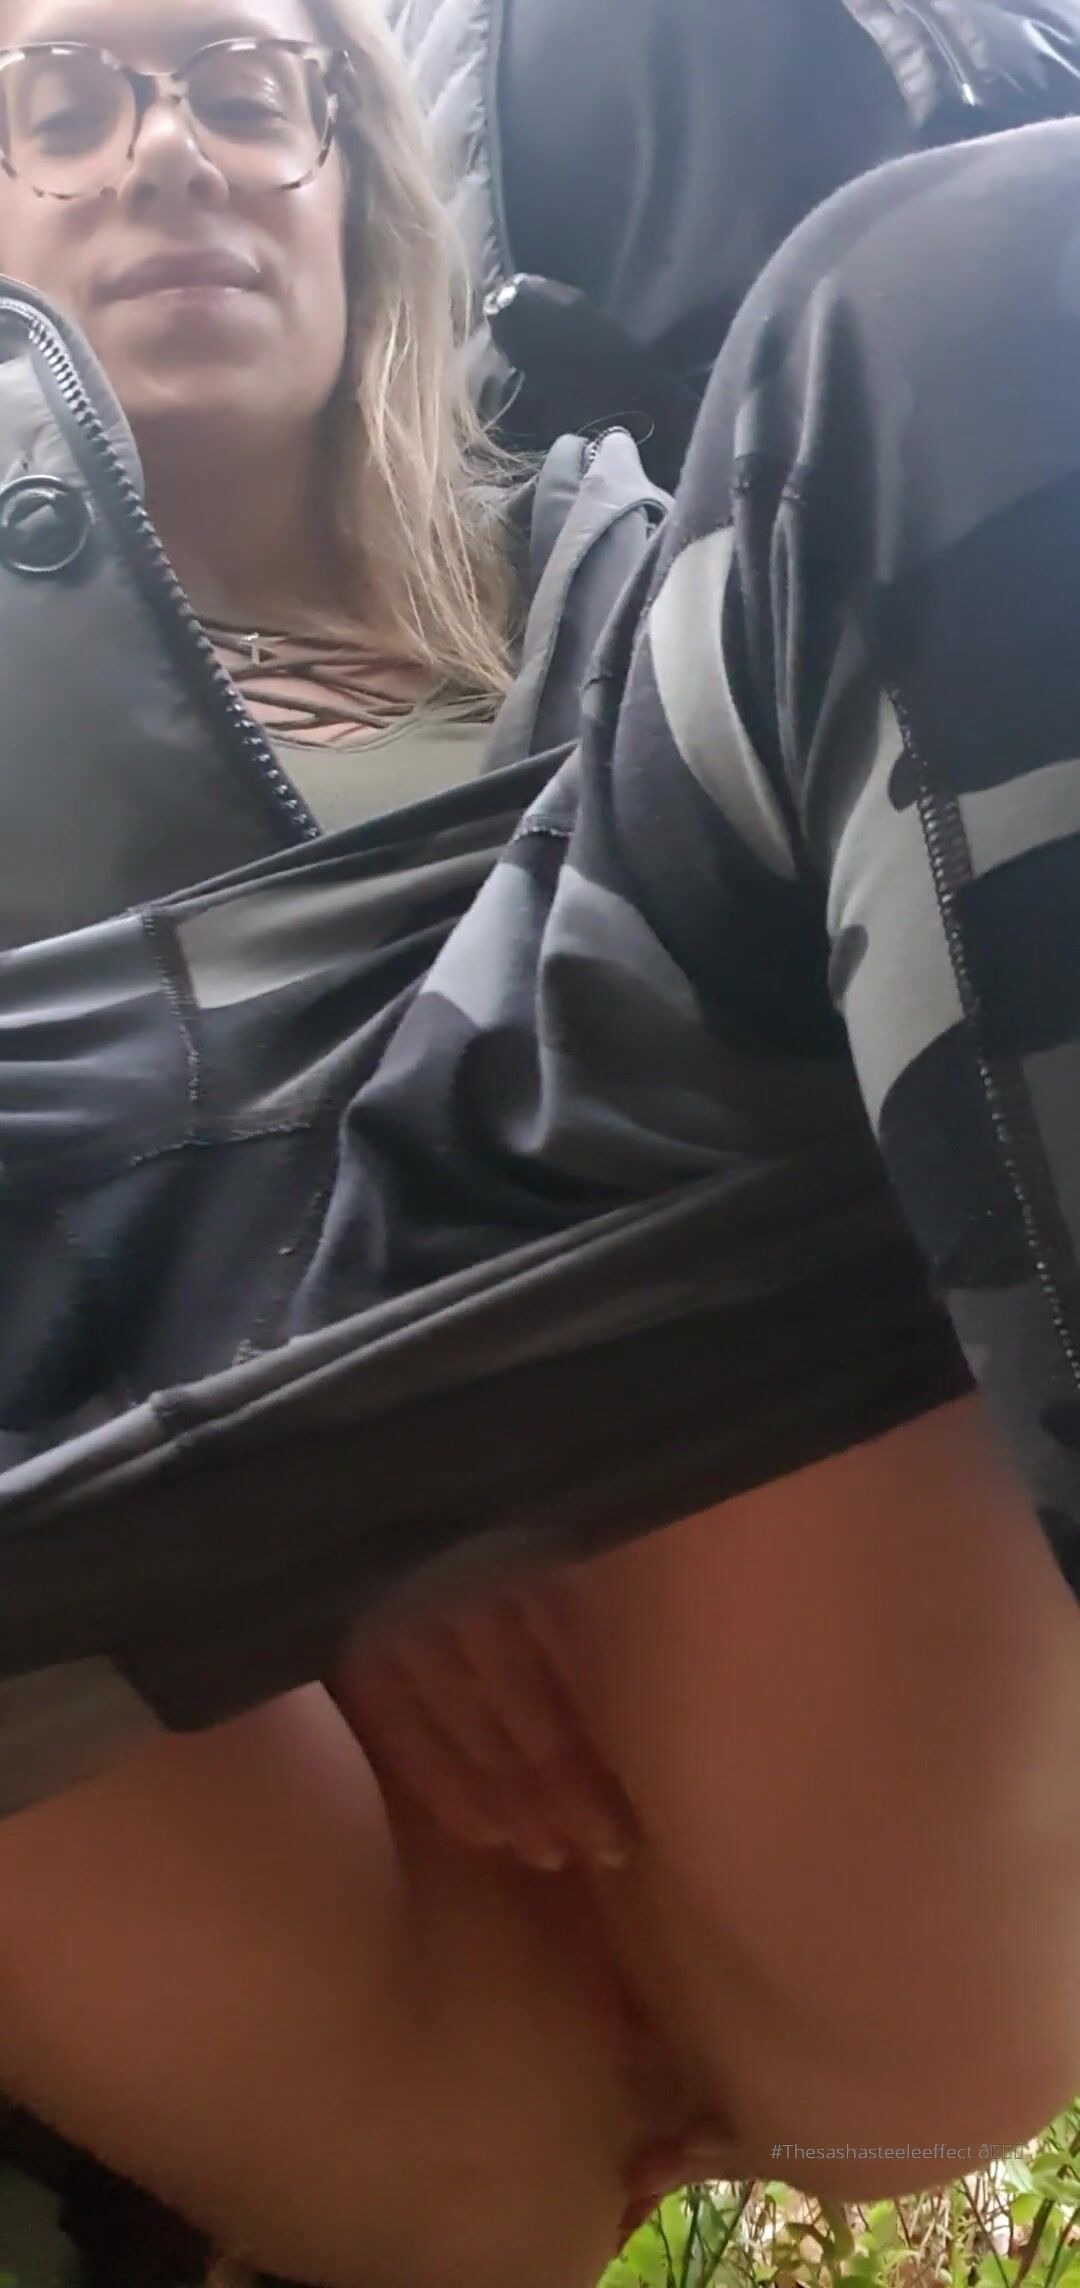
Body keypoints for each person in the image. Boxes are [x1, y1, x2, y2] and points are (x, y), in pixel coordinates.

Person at [0, 2, 1080, 2285]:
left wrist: (462, 1430)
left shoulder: (669, 576)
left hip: (772, 1582)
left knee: (988, 270)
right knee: (479, 2208)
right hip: (210, 1773)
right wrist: (324, 1496)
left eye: (242, 89)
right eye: (62, 107)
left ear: (365, 183)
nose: (165, 152)